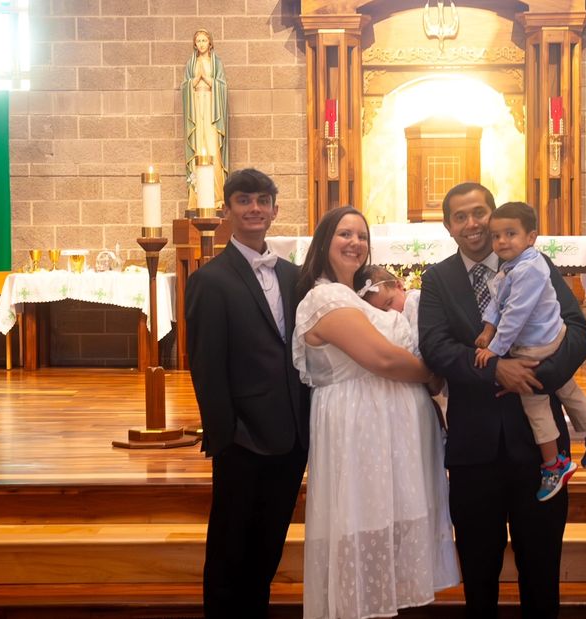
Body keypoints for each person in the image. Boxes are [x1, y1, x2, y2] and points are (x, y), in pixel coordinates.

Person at [418, 183, 586, 616]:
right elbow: (436, 347)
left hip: (539, 448)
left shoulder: (535, 263)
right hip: (474, 446)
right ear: (448, 226)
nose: (472, 223)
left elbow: (577, 330)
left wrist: (536, 377)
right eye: (461, 216)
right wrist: (497, 369)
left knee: (541, 564)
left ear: (495, 217)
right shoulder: (438, 278)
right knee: (479, 569)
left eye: (480, 213)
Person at [293, 206, 459, 619]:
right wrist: (433, 374)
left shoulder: (359, 296)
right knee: (362, 520)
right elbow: (383, 359)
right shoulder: (324, 296)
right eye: (344, 234)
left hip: (399, 434)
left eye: (361, 236)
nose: (355, 243)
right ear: (324, 241)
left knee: (396, 531)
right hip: (358, 427)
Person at [184, 168, 307, 618]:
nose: (254, 208)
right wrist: (225, 434)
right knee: (229, 548)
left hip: (292, 435)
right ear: (227, 211)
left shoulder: (295, 276)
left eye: (262, 200)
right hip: (242, 437)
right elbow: (206, 365)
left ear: (275, 209)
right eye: (243, 200)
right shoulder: (211, 279)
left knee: (269, 544)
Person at [472, 202, 586, 502]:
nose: (501, 242)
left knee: (534, 401)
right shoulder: (514, 265)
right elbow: (496, 303)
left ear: (531, 237)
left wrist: (496, 350)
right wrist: (487, 330)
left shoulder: (529, 269)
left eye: (510, 234)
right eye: (496, 236)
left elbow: (514, 315)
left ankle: (555, 464)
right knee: (567, 387)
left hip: (536, 344)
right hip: (550, 336)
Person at [182, 28, 228, 206]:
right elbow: (185, 87)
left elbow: (222, 86)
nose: (201, 44)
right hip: (196, 109)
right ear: (195, 44)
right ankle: (196, 198)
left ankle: (217, 197)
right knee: (198, 147)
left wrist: (207, 80)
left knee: (212, 149)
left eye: (204, 40)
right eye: (198, 41)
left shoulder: (216, 62)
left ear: (210, 43)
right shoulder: (191, 63)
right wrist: (195, 80)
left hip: (211, 108)